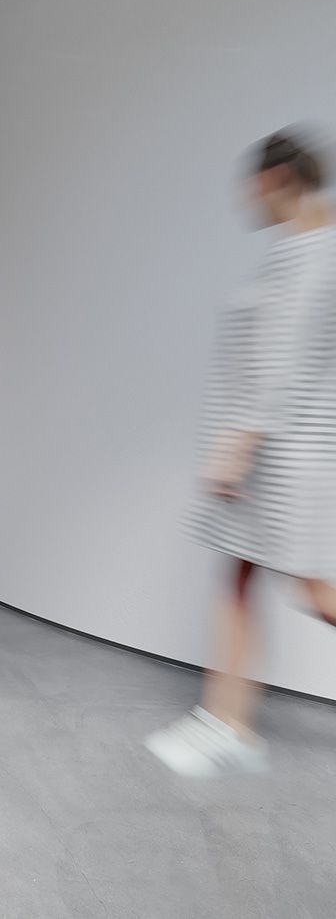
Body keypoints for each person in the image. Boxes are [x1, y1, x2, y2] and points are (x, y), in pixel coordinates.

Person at [146, 129, 336, 776]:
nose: (245, 197)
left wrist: (237, 445)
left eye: (251, 184)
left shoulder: (313, 253)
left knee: (314, 592)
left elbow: (282, 362)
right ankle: (226, 722)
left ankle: (226, 724)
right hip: (279, 452)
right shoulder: (302, 248)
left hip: (284, 458)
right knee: (243, 579)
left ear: (277, 179)